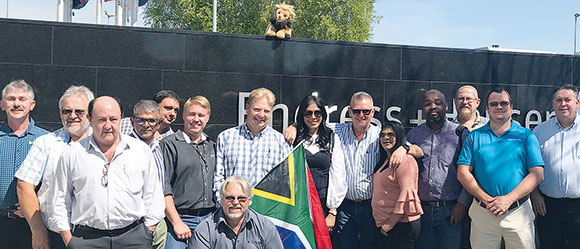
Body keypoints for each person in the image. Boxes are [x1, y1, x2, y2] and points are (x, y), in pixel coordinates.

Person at [47, 96, 165, 248]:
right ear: (89, 119)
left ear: (121, 119)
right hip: (87, 240)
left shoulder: (140, 151)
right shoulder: (73, 154)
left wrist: (147, 232)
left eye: (113, 119)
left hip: (133, 239)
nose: (108, 126)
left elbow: (153, 196)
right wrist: (69, 239)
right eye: (102, 120)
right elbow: (60, 200)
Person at [457, 87, 544, 249]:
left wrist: (508, 199)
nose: (499, 107)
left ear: (511, 107)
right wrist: (487, 199)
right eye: (494, 104)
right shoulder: (474, 137)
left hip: (519, 213)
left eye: (504, 103)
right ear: (487, 108)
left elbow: (537, 174)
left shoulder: (526, 136)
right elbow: (463, 173)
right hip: (483, 213)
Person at [16, 85, 93, 249]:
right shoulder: (45, 143)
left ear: (90, 113)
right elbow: (24, 186)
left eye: (79, 111)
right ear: (60, 113)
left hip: (96, 235)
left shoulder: (105, 144)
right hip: (54, 236)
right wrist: (38, 232)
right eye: (67, 111)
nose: (72, 116)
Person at [407, 89, 470, 249]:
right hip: (423, 211)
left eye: (438, 102)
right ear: (423, 109)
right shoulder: (414, 135)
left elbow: (471, 172)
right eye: (428, 104)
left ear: (447, 106)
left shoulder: (460, 134)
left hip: (451, 210)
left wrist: (462, 204)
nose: (433, 106)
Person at [162, 96, 216, 249]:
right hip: (179, 220)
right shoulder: (169, 145)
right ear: (184, 116)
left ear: (207, 118)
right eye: (192, 114)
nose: (196, 119)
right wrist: (177, 222)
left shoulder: (212, 146)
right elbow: (163, 187)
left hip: (208, 221)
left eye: (201, 115)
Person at [0, 80, 48, 249]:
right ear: (2, 105)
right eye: (11, 99)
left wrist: (36, 206)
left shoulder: (46, 139)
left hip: (34, 223)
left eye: (22, 99)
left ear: (32, 105)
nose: (17, 103)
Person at [214, 88, 291, 193]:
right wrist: (222, 203)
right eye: (257, 109)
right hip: (233, 206)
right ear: (247, 108)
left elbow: (286, 181)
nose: (261, 115)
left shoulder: (281, 142)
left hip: (266, 208)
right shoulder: (226, 138)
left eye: (266, 111)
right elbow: (218, 176)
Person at [531, 85, 580, 248]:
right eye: (559, 100)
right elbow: (529, 166)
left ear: (577, 102)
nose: (563, 104)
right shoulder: (540, 131)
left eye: (568, 100)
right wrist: (535, 195)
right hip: (548, 206)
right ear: (553, 104)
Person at [292, 95, 346, 232]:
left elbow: (338, 174)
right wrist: (293, 127)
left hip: (322, 203)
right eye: (308, 113)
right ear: (302, 115)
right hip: (299, 203)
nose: (313, 117)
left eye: (317, 113)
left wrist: (332, 211)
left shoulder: (332, 138)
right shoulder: (294, 138)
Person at [188, 176, 284, 249]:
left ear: (249, 200)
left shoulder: (265, 227)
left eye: (241, 198)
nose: (235, 202)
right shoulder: (204, 230)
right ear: (221, 200)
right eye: (230, 198)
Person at [372, 121, 423, 249]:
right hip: (386, 226)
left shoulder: (406, 160)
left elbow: (407, 194)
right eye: (382, 135)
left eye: (391, 134)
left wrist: (391, 223)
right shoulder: (385, 161)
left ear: (399, 136)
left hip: (402, 226)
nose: (386, 138)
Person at [128, 99, 168, 249]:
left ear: (158, 124)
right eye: (141, 120)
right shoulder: (123, 148)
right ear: (132, 122)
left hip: (159, 221)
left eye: (151, 120)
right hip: (134, 224)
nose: (146, 125)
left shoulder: (161, 147)